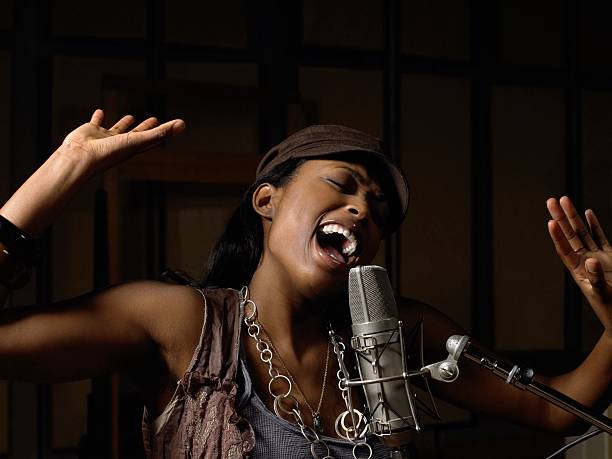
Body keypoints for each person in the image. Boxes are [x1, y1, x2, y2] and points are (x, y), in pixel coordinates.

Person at [0, 110, 609, 459]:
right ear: (268, 200)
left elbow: (562, 411)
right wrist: (65, 169)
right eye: (341, 186)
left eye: (377, 211)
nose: (362, 212)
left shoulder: (398, 332)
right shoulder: (184, 324)